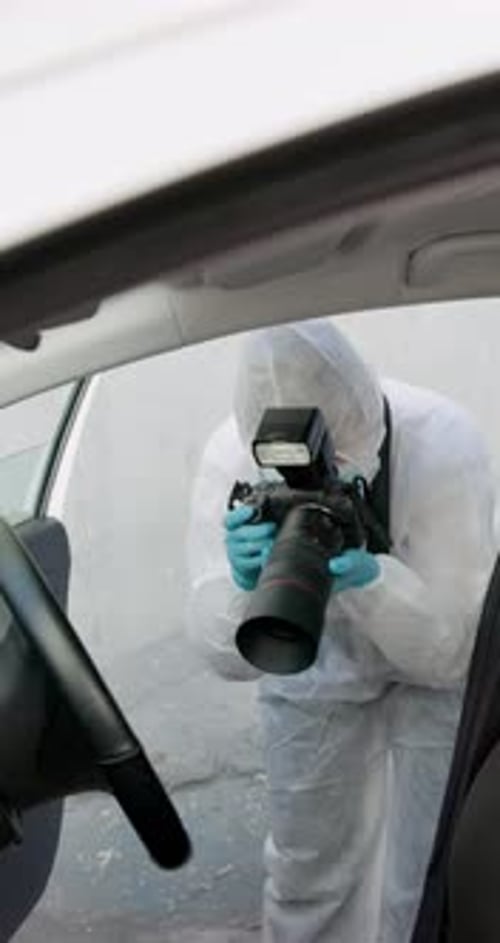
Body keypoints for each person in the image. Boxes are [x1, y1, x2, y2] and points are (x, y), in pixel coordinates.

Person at [185, 318, 496, 943]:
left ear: (368, 424)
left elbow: (457, 652)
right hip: (309, 663)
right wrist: (240, 588)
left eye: (333, 473)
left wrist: (373, 582)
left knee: (423, 865)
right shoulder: (232, 453)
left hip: (433, 680)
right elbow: (223, 652)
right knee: (310, 871)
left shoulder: (442, 442)